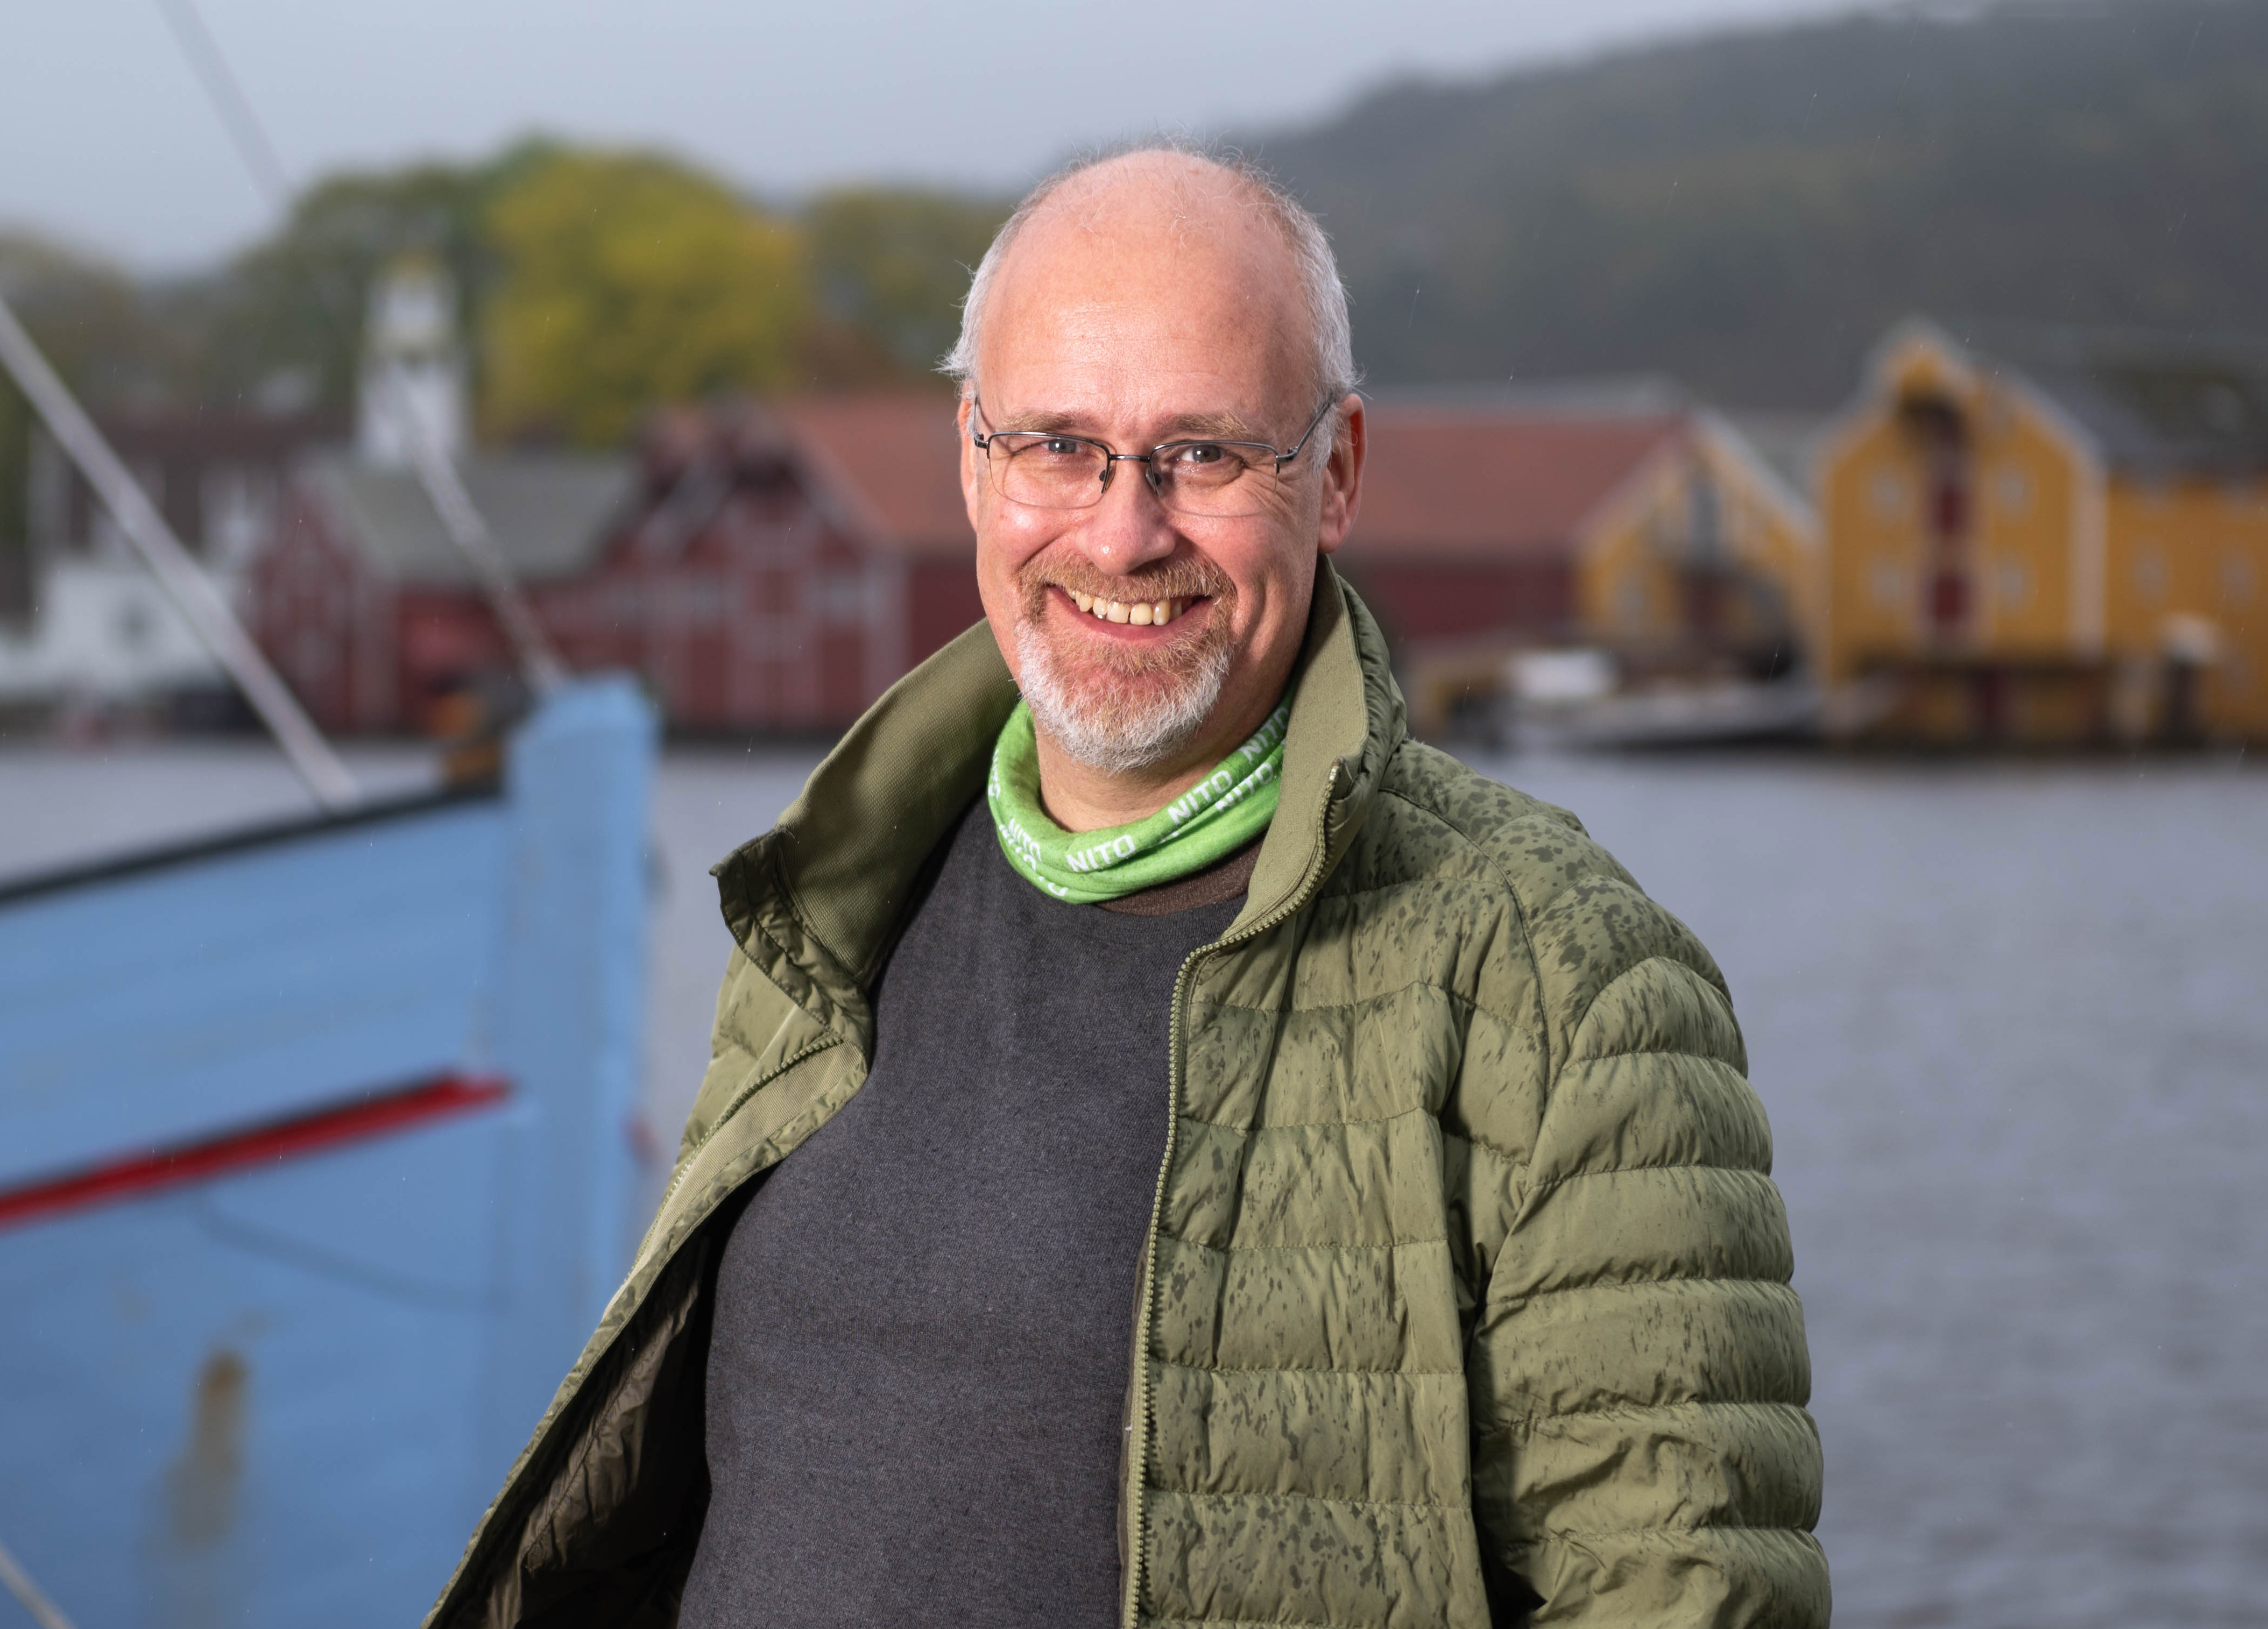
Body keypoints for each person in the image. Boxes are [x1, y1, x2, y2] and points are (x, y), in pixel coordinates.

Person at [424, 147, 1827, 1628]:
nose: (1119, 530)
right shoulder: (830, 898)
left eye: (1203, 453)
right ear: (973, 461)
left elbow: (1687, 1596)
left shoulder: (1563, 981)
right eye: (1056, 446)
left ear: (1335, 473)